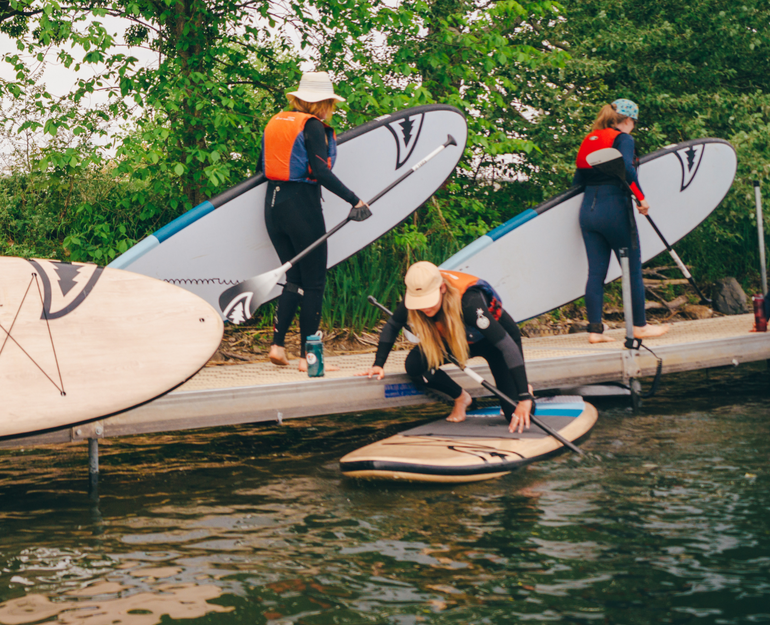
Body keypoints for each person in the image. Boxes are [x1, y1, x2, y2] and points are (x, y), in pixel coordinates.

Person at [261, 71, 370, 371]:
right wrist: (354, 200)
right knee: (314, 284)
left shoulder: (276, 123)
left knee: (293, 279)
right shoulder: (312, 127)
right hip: (301, 208)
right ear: (322, 104)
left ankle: (277, 346)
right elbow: (321, 172)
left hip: (272, 206)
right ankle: (309, 360)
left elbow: (262, 167)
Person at [358, 261, 534, 429]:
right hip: (458, 342)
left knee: (515, 415)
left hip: (493, 344)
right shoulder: (416, 293)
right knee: (415, 365)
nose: (424, 308)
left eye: (429, 300)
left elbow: (507, 345)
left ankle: (526, 389)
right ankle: (460, 397)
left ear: (442, 288)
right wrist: (378, 364)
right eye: (420, 302)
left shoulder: (470, 303)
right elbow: (392, 326)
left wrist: (523, 396)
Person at [573, 98, 668, 345]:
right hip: (614, 209)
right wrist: (641, 198)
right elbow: (626, 166)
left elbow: (577, 180)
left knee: (596, 272)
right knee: (632, 269)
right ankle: (640, 326)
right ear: (628, 120)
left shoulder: (590, 139)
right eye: (633, 122)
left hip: (587, 211)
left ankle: (595, 331)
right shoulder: (623, 138)